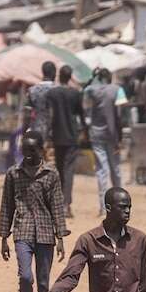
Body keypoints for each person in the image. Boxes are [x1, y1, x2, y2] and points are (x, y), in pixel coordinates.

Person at [0, 129, 67, 292]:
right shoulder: (13, 174)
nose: (28, 154)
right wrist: (4, 237)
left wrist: (61, 235)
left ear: (41, 150)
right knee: (26, 277)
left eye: (32, 150)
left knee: (44, 284)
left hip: (46, 234)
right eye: (24, 150)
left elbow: (56, 205)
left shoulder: (51, 174)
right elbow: (7, 204)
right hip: (23, 232)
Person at [83, 69, 124, 213]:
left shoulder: (93, 91)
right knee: (116, 169)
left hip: (96, 134)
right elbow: (119, 115)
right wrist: (120, 137)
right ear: (111, 78)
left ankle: (103, 207)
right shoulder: (118, 90)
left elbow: (85, 89)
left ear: (100, 78)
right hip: (112, 135)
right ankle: (121, 203)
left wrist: (92, 76)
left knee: (102, 170)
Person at [46, 64, 84, 216]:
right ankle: (66, 205)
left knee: (60, 170)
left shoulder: (52, 93)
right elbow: (80, 114)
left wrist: (48, 133)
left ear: (59, 76)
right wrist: (84, 131)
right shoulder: (75, 94)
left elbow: (50, 114)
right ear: (70, 77)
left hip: (57, 136)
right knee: (68, 172)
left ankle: (60, 204)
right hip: (71, 136)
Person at [24, 61, 56, 138]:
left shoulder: (32, 90)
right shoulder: (57, 90)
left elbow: (27, 113)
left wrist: (25, 131)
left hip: (36, 129)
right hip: (54, 132)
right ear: (54, 73)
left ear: (43, 72)